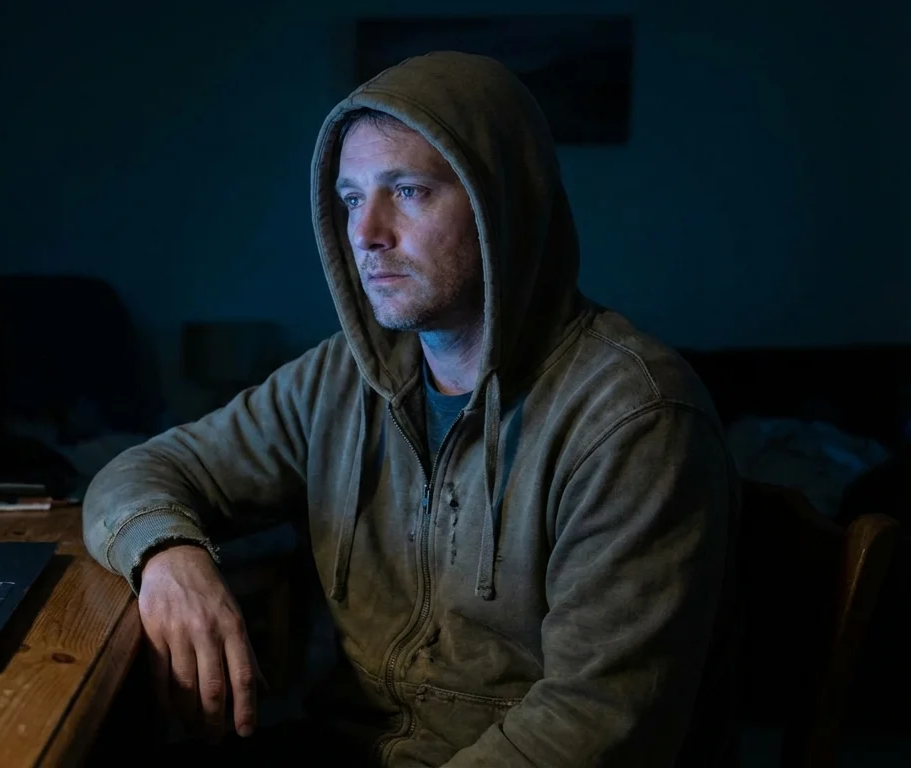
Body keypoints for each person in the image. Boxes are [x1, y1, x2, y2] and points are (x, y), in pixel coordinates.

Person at [82, 51, 738, 766]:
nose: (366, 235)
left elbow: (596, 725)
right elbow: (145, 470)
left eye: (410, 192)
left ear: (504, 206)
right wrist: (168, 554)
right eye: (353, 197)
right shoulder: (340, 377)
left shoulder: (635, 415)